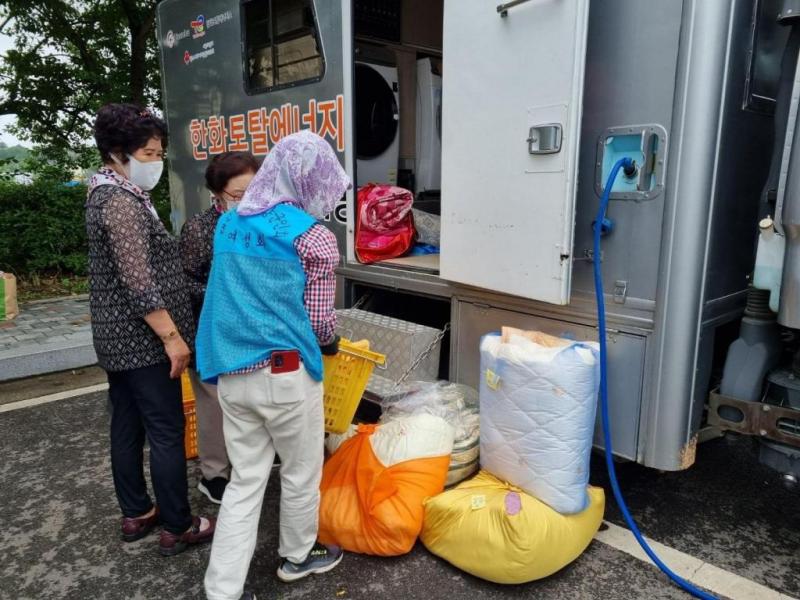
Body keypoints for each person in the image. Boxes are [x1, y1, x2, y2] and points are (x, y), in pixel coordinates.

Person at [198, 130, 350, 600]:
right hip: (285, 375)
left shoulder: (228, 222)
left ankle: (222, 589)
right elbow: (320, 321)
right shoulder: (315, 239)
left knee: (245, 481)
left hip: (232, 372)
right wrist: (328, 343)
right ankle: (297, 558)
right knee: (301, 472)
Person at [85, 103, 215, 556]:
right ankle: (179, 524)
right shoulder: (120, 202)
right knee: (165, 429)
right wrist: (172, 337)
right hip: (142, 341)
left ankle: (137, 512)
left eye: (160, 153)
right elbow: (137, 280)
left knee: (126, 424)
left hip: (117, 339)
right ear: (118, 153)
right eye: (148, 153)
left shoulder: (106, 192)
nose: (156, 162)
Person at [179, 151, 259, 504]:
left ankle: (248, 464)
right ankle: (213, 474)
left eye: (255, 190)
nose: (248, 200)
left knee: (248, 401)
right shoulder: (200, 228)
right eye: (238, 195)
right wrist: (224, 292)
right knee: (213, 404)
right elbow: (184, 281)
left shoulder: (261, 223)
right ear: (217, 196)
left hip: (251, 332)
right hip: (209, 330)